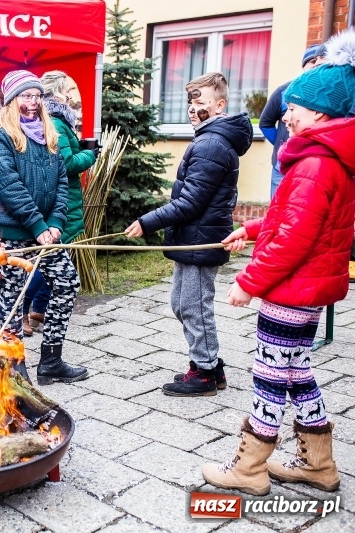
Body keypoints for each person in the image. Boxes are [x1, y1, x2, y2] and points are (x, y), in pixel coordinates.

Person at [202, 29, 355, 497]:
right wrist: (250, 230)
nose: (284, 116)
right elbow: (292, 219)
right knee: (296, 370)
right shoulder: (322, 157)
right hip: (306, 289)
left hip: (292, 288)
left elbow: (292, 239)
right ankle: (318, 464)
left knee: (270, 376)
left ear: (321, 112)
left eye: (295, 108)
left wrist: (249, 282)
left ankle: (249, 468)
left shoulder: (316, 163)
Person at [126, 72, 252, 396]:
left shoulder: (211, 143)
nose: (192, 108)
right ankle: (207, 364)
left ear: (220, 105)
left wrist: (147, 222)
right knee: (182, 304)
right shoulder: (207, 138)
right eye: (190, 101)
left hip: (200, 239)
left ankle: (206, 372)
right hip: (191, 239)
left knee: (195, 306)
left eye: (200, 101)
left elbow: (191, 202)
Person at [0, 69, 85, 385]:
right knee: (13, 297)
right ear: (12, 100)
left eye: (37, 95)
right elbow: (8, 185)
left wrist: (55, 222)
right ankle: (13, 369)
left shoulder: (49, 133)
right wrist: (38, 224)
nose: (33, 101)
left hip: (44, 231)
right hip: (13, 232)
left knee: (67, 281)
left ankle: (51, 361)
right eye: (26, 95)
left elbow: (60, 184)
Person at [22, 70, 97, 337]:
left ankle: (38, 309)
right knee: (49, 260)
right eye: (67, 90)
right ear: (56, 92)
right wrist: (90, 155)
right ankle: (22, 311)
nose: (70, 96)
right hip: (58, 200)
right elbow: (64, 163)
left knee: (54, 258)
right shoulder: (55, 120)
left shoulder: (56, 119)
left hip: (63, 198)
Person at [260, 44, 324, 198]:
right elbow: (265, 123)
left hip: (314, 162)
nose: (315, 65)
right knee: (278, 206)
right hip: (282, 164)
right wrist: (282, 144)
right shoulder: (285, 91)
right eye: (312, 61)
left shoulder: (326, 94)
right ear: (304, 65)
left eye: (319, 62)